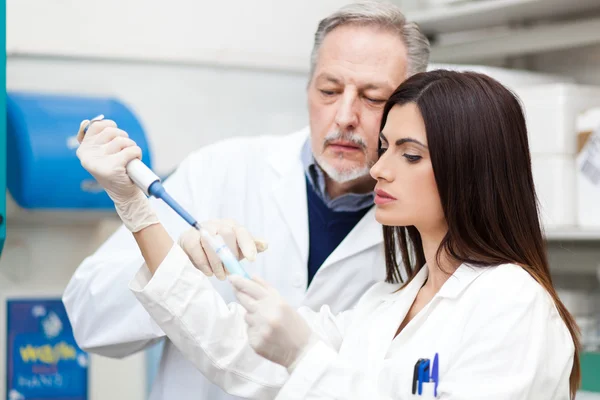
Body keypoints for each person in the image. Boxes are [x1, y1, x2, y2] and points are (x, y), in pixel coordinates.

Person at [77, 69, 581, 399]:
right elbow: (237, 350)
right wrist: (135, 206)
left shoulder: (512, 305)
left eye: (409, 154)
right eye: (384, 149)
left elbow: (308, 367)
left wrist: (305, 356)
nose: (380, 169)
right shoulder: (388, 304)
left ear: (473, 170)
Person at [62, 2, 431, 400]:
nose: (344, 116)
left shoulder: (426, 227)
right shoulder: (220, 168)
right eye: (329, 90)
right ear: (308, 89)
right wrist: (177, 259)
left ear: (409, 112)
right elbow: (88, 317)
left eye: (373, 98)